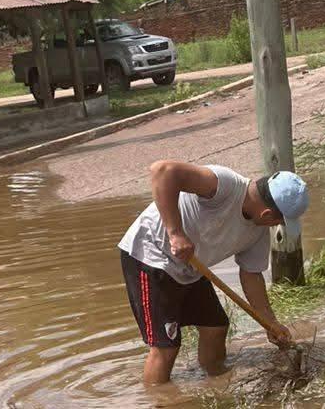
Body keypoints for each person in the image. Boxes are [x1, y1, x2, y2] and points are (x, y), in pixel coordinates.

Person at [118, 160, 310, 384]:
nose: (276, 226)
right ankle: (160, 400)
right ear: (268, 214)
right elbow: (162, 171)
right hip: (150, 255)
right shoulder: (225, 185)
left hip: (189, 266)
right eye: (279, 222)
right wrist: (176, 233)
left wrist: (270, 322)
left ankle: (215, 381)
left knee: (216, 327)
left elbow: (251, 275)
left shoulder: (257, 233)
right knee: (166, 347)